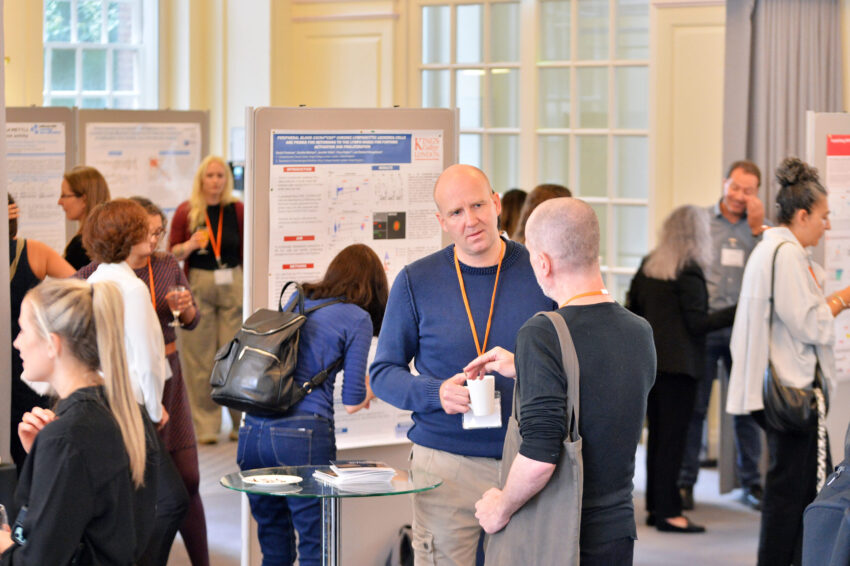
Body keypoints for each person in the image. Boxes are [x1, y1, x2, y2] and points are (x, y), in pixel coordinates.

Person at [370, 164, 554, 565]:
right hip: (446, 465)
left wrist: (525, 368)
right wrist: (435, 392)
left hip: (526, 460)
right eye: (456, 213)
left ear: (496, 204)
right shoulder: (415, 281)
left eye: (477, 205)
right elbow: (383, 373)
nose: (470, 220)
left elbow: (571, 360)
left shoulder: (541, 271)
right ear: (441, 222)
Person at [465, 197, 655, 564]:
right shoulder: (640, 331)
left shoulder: (542, 332)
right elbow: (601, 389)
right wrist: (528, 367)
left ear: (543, 262)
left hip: (558, 535)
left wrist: (499, 506)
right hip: (616, 531)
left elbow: (540, 457)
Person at [727, 157, 849, 566]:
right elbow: (811, 324)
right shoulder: (787, 254)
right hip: (795, 393)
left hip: (778, 390)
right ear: (802, 215)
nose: (827, 226)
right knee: (799, 494)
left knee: (790, 491)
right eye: (824, 217)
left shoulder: (772, 248)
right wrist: (843, 298)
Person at [76, 195, 209, 566]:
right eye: (147, 233)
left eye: (158, 233)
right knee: (154, 491)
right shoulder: (96, 277)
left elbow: (190, 321)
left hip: (166, 380)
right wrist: (151, 406)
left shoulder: (166, 265)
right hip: (135, 393)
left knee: (186, 481)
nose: (154, 240)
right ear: (125, 235)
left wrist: (186, 312)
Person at [238, 244, 387, 566]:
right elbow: (352, 401)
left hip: (253, 432)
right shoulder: (357, 317)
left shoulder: (298, 300)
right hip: (301, 436)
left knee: (274, 543)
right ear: (373, 286)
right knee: (315, 545)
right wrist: (375, 389)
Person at [0, 278, 147, 564]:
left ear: (52, 343)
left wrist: (6, 548)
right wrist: (44, 460)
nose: (16, 342)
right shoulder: (123, 412)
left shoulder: (67, 438)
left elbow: (40, 560)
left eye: (23, 330)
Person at [627, 205, 736, 533]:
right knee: (672, 441)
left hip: (652, 365)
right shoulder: (689, 270)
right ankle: (670, 513)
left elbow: (632, 309)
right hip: (681, 369)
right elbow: (698, 323)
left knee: (657, 438)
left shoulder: (649, 264)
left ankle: (656, 508)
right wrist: (737, 310)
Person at [680, 160, 767, 511]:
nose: (739, 196)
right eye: (735, 187)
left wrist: (760, 228)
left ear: (757, 193)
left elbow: (771, 267)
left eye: (748, 191)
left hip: (745, 331)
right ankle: (685, 482)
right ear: (724, 183)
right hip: (706, 328)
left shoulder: (761, 230)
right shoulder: (701, 221)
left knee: (746, 409)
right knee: (695, 408)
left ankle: (752, 484)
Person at [169, 155, 244, 444]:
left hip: (232, 283)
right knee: (198, 357)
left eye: (220, 175)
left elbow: (247, 249)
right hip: (198, 285)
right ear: (201, 179)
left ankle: (240, 421)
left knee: (234, 354)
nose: (215, 181)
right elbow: (171, 253)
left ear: (226, 179)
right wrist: (188, 246)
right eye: (210, 175)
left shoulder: (237, 210)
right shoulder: (187, 211)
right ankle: (206, 426)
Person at [7, 194, 75, 472]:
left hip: (26, 366)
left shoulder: (32, 250)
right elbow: (82, 289)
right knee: (32, 452)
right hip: (29, 364)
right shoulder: (33, 250)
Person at [57, 165, 111, 269]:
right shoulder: (110, 240)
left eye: (64, 195)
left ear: (84, 200)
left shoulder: (81, 246)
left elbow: (68, 283)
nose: (59, 202)